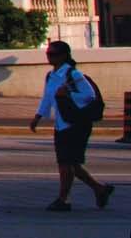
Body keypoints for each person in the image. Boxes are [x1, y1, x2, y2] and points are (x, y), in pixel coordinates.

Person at [30, 38, 112, 212]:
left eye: (53, 54)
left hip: (76, 124)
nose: (49, 57)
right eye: (48, 54)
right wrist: (38, 116)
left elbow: (89, 96)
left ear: (64, 56)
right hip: (62, 124)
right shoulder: (51, 75)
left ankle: (63, 199)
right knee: (70, 163)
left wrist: (67, 96)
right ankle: (100, 189)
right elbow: (47, 98)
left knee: (66, 163)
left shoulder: (73, 75)